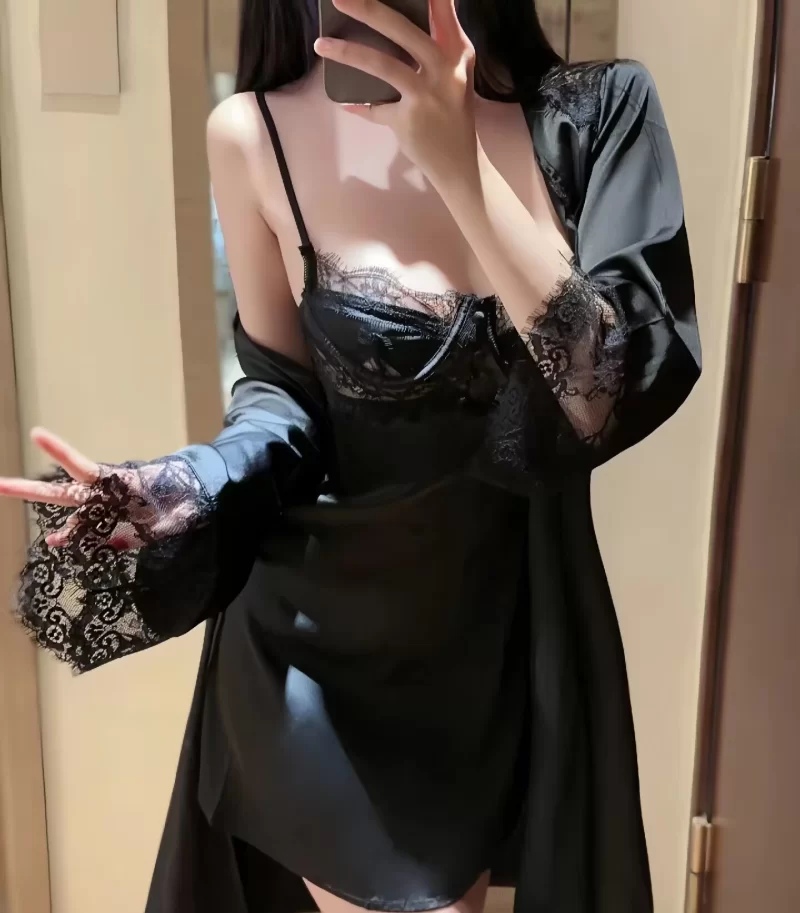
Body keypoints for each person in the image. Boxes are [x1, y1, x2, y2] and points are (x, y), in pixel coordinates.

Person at [1, 0, 701, 911]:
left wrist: (459, 165)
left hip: (497, 636)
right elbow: (282, 394)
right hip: (314, 642)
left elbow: (606, 388)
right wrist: (193, 483)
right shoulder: (253, 133)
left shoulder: (601, 114)